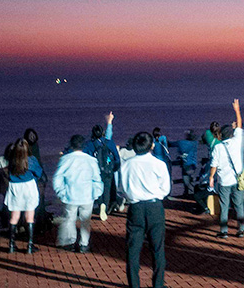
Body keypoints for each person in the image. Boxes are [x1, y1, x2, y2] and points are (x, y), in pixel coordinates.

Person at [118, 131, 170, 288]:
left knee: (133, 249)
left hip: (135, 208)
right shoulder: (159, 164)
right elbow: (165, 189)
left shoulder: (126, 165)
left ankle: (134, 284)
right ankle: (158, 285)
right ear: (151, 146)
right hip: (155, 207)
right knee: (158, 248)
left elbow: (122, 189)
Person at [52, 134, 103, 253]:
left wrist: (61, 192)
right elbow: (97, 179)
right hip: (87, 196)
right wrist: (96, 193)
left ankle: (70, 241)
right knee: (85, 221)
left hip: (70, 196)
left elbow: (57, 178)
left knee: (69, 219)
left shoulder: (65, 159)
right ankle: (84, 244)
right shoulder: (91, 160)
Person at [209, 99, 244, 239]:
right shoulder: (238, 141)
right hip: (237, 180)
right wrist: (237, 110)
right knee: (239, 205)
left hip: (224, 181)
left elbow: (214, 165)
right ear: (231, 133)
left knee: (224, 207)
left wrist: (211, 177)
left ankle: (224, 231)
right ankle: (241, 229)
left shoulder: (217, 147)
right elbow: (240, 125)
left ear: (221, 136)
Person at [4, 138, 44, 254]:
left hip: (14, 187)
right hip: (28, 187)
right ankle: (30, 245)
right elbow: (39, 172)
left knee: (14, 216)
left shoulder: (12, 160)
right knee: (30, 217)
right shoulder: (31, 160)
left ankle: (11, 245)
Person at [82, 112, 119, 221]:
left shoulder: (89, 144)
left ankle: (100, 204)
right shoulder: (108, 142)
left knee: (97, 189)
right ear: (102, 133)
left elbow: (86, 158)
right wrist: (115, 167)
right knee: (107, 189)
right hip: (108, 170)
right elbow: (116, 156)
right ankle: (105, 207)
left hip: (95, 171)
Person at [175, 130, 200, 197]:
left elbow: (172, 144)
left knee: (186, 181)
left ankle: (187, 194)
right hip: (193, 166)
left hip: (185, 165)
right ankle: (190, 195)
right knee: (191, 182)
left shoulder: (181, 143)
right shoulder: (195, 143)